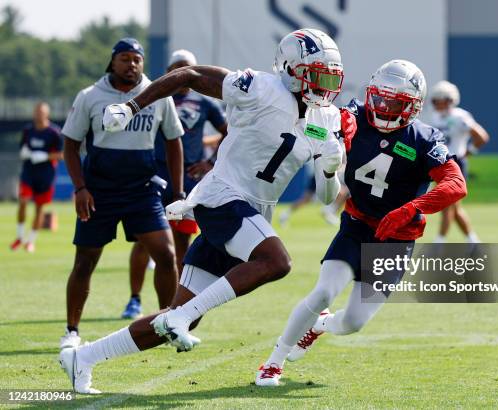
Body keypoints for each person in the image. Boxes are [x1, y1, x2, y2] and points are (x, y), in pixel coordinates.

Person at [59, 28, 345, 394]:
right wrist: (132, 107)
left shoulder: (327, 119)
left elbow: (326, 197)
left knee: (177, 319)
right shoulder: (259, 87)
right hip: (222, 197)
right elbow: (189, 76)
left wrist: (329, 169)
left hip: (253, 213)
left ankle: (82, 358)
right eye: (316, 75)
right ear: (290, 68)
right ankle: (180, 316)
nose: (323, 86)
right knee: (277, 262)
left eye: (329, 77)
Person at [255, 60, 468, 386]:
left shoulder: (424, 139)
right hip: (357, 223)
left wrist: (412, 207)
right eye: (378, 99)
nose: (382, 108)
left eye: (393, 103)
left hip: (397, 238)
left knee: (354, 322)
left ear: (412, 107)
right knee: (324, 292)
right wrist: (328, 135)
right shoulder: (352, 116)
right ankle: (273, 362)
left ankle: (318, 326)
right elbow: (311, 126)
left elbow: (456, 184)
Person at [59, 38, 185, 351]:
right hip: (98, 192)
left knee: (167, 256)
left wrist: (178, 190)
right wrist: (80, 188)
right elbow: (71, 146)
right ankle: (72, 331)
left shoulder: (157, 94)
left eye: (137, 59)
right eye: (125, 58)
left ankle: (170, 324)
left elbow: (174, 141)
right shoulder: (90, 96)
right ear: (112, 62)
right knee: (85, 262)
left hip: (141, 191)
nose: (132, 64)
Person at [122, 49, 228, 320]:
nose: (182, 73)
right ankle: (134, 299)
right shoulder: (155, 97)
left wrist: (210, 162)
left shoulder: (205, 103)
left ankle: (177, 303)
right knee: (145, 241)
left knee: (182, 242)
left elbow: (229, 131)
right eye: (177, 67)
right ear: (169, 71)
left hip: (189, 181)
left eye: (187, 67)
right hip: (154, 177)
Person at [427, 80, 489, 244]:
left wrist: (467, 153)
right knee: (453, 207)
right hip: (439, 165)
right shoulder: (434, 116)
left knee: (448, 205)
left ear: (450, 100)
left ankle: (439, 243)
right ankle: (473, 241)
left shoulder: (460, 116)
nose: (438, 102)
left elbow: (481, 137)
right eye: (436, 99)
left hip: (456, 164)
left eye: (442, 99)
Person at [10, 102, 63, 253]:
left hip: (45, 175)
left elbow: (61, 155)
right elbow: (23, 148)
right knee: (23, 201)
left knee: (39, 208)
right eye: (36, 112)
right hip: (28, 172)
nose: (38, 115)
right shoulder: (28, 130)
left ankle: (31, 241)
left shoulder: (54, 132)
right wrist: (24, 152)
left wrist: (45, 156)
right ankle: (20, 237)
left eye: (41, 112)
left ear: (47, 114)